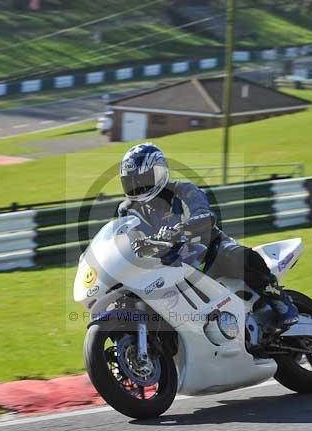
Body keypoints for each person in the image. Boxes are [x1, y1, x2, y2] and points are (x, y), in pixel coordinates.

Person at [117, 143, 299, 339]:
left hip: (206, 250)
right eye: (132, 181)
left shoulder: (183, 190)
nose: (137, 186)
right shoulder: (127, 210)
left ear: (160, 173)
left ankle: (279, 301)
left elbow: (205, 216)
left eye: (142, 179)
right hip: (166, 264)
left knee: (239, 256)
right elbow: (124, 238)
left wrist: (177, 231)